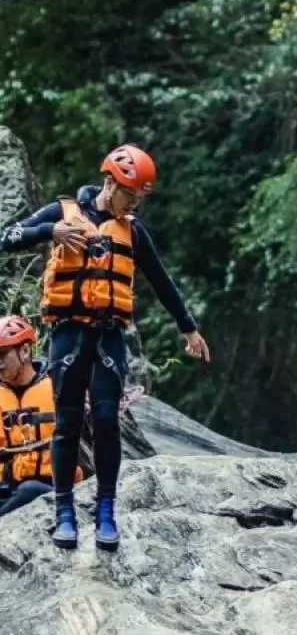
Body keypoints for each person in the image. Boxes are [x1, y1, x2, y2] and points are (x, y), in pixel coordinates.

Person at [0, 144, 210, 549]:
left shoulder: (132, 231)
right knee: (67, 423)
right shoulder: (62, 215)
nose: (134, 205)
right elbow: (7, 239)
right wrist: (50, 232)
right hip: (68, 333)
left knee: (107, 419)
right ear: (111, 182)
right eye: (130, 196)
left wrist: (189, 329)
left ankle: (106, 511)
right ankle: (64, 514)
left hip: (109, 334)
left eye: (139, 199)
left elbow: (161, 281)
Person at [0, 315, 81, 517]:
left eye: (3, 355)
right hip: (8, 487)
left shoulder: (56, 388)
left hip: (52, 487)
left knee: (29, 490)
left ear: (25, 351)